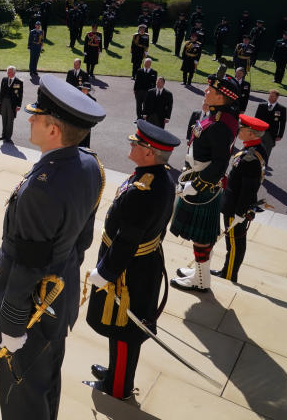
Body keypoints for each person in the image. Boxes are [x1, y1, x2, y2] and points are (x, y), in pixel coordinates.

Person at [0, 75, 105, 420]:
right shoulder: (88, 164)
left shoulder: (44, 186)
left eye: (36, 116)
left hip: (30, 311)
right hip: (58, 297)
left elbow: (26, 263)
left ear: (53, 130)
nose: (29, 119)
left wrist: (12, 326)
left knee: (21, 396)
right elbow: (82, 240)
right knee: (45, 384)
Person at [85, 120, 178, 400]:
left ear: (149, 152)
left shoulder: (145, 189)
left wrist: (106, 272)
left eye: (136, 143)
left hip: (129, 271)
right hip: (139, 265)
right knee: (119, 326)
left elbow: (127, 239)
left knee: (126, 330)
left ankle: (118, 387)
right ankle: (116, 372)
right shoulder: (154, 176)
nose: (131, 145)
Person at [171, 73, 241, 293]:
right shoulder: (216, 116)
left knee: (202, 238)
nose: (206, 91)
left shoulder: (220, 124)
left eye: (211, 90)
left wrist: (196, 185)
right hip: (198, 177)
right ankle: (201, 273)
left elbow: (220, 163)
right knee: (201, 237)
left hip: (203, 185)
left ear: (221, 97)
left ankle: (201, 281)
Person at [212, 115, 268, 283]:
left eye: (242, 129)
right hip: (235, 203)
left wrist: (240, 212)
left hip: (236, 206)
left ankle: (229, 274)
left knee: (235, 245)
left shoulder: (250, 157)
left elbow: (248, 189)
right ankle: (227, 270)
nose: (239, 130)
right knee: (235, 243)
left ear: (251, 134)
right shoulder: (253, 149)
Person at [255, 90, 286, 168]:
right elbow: (256, 119)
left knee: (266, 152)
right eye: (270, 95)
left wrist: (280, 135)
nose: (270, 97)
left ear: (277, 97)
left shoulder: (281, 109)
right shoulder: (262, 105)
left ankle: (263, 167)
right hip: (260, 132)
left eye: (272, 96)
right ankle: (255, 165)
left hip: (271, 134)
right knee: (257, 149)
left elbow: (282, 123)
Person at [0, 65, 23, 142]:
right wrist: (0, 101)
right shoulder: (4, 79)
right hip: (4, 101)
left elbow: (20, 94)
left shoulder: (19, 82)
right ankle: (3, 134)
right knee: (4, 118)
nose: (8, 73)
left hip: (12, 103)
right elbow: (1, 91)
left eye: (10, 72)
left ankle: (8, 136)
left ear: (14, 73)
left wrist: (19, 105)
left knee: (10, 120)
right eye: (8, 72)